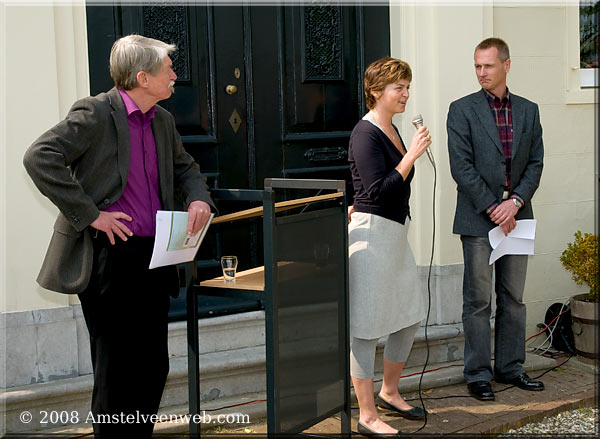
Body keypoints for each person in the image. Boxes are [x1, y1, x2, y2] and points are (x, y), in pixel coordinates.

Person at [23, 35, 215, 437]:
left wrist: (199, 199)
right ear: (143, 77)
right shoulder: (94, 112)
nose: (176, 76)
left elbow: (185, 168)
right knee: (116, 371)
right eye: (168, 69)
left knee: (152, 366)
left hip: (154, 257)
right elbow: (39, 156)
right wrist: (91, 214)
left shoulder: (161, 120)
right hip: (108, 259)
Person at [446, 37, 544, 402]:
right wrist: (494, 208)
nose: (481, 72)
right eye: (477, 66)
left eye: (488, 65)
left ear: (506, 65)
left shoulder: (529, 110)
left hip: (518, 217)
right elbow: (462, 167)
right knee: (478, 300)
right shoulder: (461, 109)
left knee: (514, 298)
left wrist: (515, 202)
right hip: (478, 219)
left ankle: (511, 367)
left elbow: (535, 163)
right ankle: (477, 374)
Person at [348, 57, 432, 436]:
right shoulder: (365, 134)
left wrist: (409, 150)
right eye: (399, 87)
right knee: (365, 327)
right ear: (376, 92)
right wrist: (412, 155)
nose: (406, 94)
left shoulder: (393, 129)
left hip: (396, 233)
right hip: (372, 235)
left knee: (409, 313)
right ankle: (366, 416)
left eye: (407, 86)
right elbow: (377, 191)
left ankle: (390, 391)